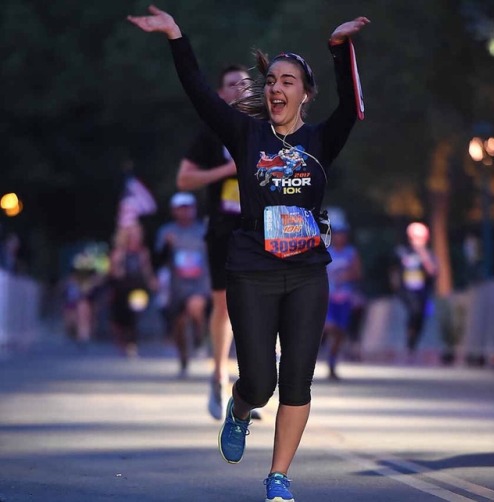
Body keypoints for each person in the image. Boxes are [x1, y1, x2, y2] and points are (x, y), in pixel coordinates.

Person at [128, 7, 370, 501]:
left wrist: (340, 50)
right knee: (260, 380)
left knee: (298, 378)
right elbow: (198, 92)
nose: (277, 88)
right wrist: (176, 35)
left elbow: (353, 106)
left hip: (307, 272)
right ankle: (240, 409)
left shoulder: (321, 139)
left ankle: (279, 477)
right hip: (251, 270)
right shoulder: (246, 135)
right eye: (272, 81)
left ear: (304, 93)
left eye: (288, 81)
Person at [176, 64, 251, 417]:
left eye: (245, 84)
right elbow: (184, 180)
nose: (239, 90)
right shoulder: (211, 133)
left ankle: (250, 384)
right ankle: (219, 376)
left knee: (261, 305)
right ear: (222, 94)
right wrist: (227, 170)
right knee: (224, 307)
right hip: (223, 229)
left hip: (262, 229)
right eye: (232, 85)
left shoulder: (266, 129)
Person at [155, 192, 211, 378]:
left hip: (200, 284)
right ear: (174, 211)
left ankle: (199, 338)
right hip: (177, 285)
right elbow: (159, 260)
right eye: (181, 208)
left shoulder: (203, 230)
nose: (185, 212)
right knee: (178, 324)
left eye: (188, 207)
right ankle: (183, 360)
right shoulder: (167, 231)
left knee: (195, 307)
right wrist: (167, 246)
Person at [108, 222, 156, 357]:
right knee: (120, 317)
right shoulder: (119, 252)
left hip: (137, 288)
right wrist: (118, 269)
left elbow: (147, 270)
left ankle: (132, 342)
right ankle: (123, 341)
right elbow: (113, 272)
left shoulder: (143, 252)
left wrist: (152, 281)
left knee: (134, 313)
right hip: (122, 289)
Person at [391, 222, 438, 360]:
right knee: (414, 311)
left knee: (420, 317)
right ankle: (409, 343)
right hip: (406, 291)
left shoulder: (428, 255)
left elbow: (433, 272)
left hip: (422, 292)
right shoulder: (402, 252)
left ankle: (412, 343)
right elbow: (394, 271)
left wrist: (423, 255)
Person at [323, 221, 362, 380]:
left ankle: (332, 361)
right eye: (337, 234)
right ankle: (322, 346)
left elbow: (358, 273)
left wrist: (346, 276)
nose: (340, 237)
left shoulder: (351, 253)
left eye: (343, 235)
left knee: (340, 332)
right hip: (329, 297)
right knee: (329, 326)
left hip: (344, 297)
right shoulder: (327, 252)